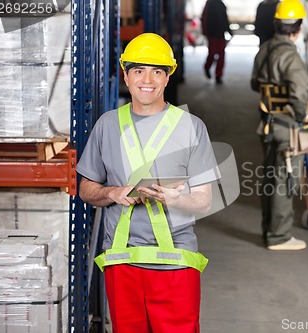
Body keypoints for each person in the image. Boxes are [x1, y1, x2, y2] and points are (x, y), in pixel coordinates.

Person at [76, 33, 219, 332]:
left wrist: (176, 199)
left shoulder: (191, 127)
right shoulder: (107, 125)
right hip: (122, 260)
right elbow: (86, 190)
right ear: (126, 76)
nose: (148, 79)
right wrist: (112, 192)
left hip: (176, 263)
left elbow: (205, 199)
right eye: (139, 70)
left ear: (168, 78)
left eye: (157, 71)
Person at [250, 0, 308, 251]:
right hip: (286, 126)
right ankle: (279, 236)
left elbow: (255, 83)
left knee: (270, 178)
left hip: (267, 124)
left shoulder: (265, 49)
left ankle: (269, 230)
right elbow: (300, 92)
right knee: (284, 180)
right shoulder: (290, 55)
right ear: (297, 27)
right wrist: (300, 115)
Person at [201, 0, 231, 84]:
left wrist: (229, 31)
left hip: (220, 34)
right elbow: (204, 18)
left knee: (221, 56)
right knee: (212, 54)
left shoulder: (221, 4)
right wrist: (205, 32)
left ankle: (218, 75)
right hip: (212, 35)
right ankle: (207, 67)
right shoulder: (209, 4)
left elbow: (225, 19)